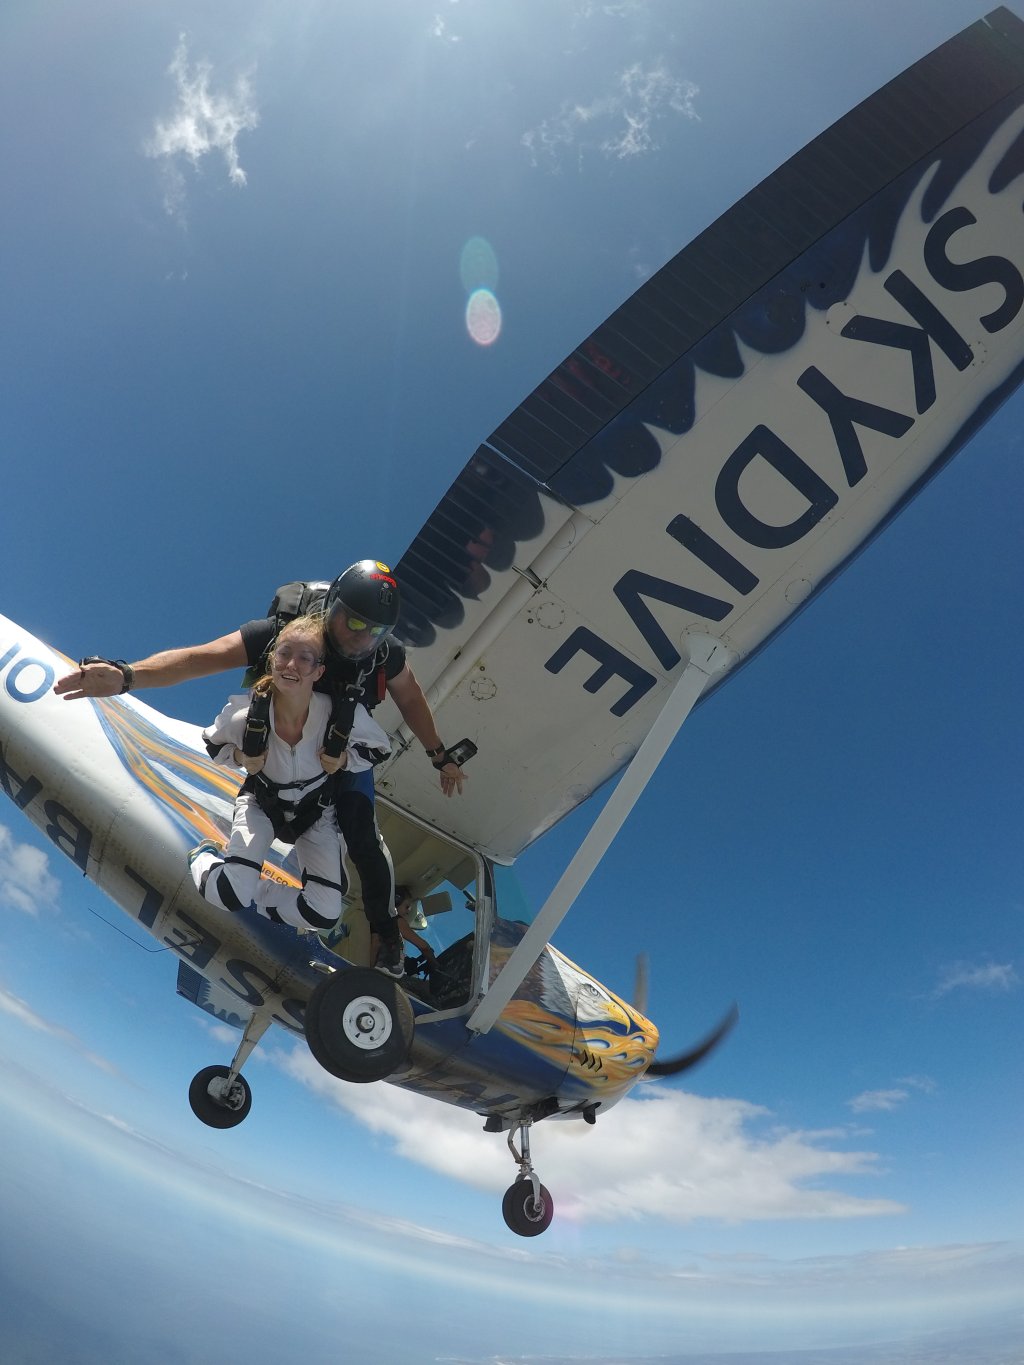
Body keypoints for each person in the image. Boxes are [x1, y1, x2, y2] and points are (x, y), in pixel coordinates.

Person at [54, 560, 469, 978]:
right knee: (270, 803)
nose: (359, 637)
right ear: (332, 607)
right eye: (352, 621)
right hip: (275, 749)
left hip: (336, 752)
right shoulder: (282, 633)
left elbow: (412, 700)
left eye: (373, 631)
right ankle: (234, 875)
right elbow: (202, 658)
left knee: (362, 835)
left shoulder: (383, 654)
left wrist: (440, 756)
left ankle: (388, 938)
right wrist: (127, 676)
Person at [189, 615, 395, 966]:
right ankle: (203, 857)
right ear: (272, 659)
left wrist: (343, 758)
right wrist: (241, 756)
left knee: (325, 913)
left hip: (316, 815)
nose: (292, 664)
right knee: (225, 894)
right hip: (262, 804)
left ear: (319, 671)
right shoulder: (247, 716)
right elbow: (214, 744)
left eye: (305, 657)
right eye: (284, 653)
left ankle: (251, 886)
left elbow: (378, 749)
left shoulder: (340, 716)